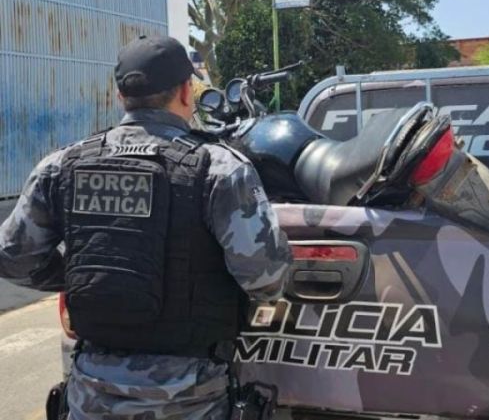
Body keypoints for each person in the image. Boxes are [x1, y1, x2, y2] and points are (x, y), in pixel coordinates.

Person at [0, 35, 292, 419]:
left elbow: (14, 258)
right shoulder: (220, 169)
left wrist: (83, 275)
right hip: (190, 400)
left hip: (91, 396)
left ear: (121, 96)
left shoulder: (60, 166)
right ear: (186, 92)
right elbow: (265, 278)